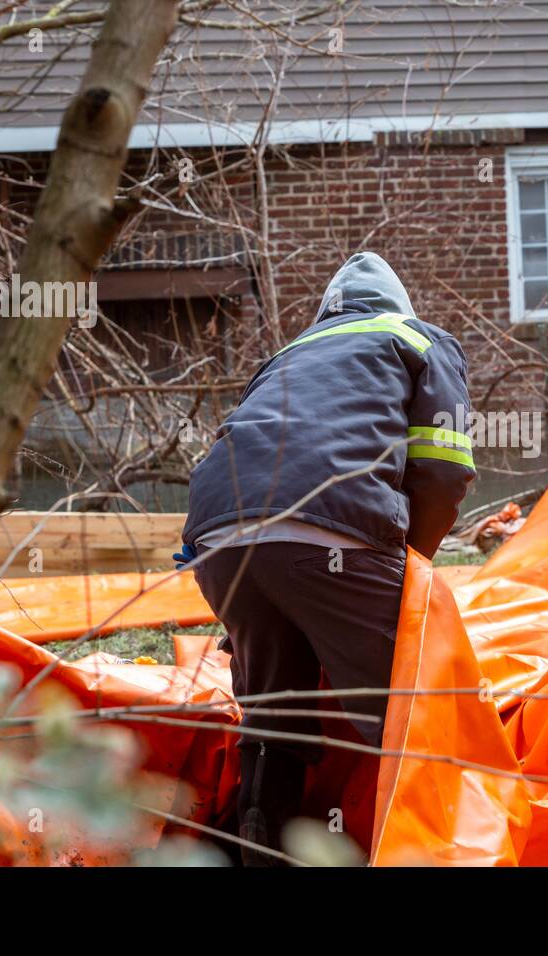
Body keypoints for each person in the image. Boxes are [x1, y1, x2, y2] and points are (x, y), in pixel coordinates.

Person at [178, 252, 476, 864]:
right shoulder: (416, 338)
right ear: (400, 305)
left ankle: (260, 846)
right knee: (408, 706)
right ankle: (437, 849)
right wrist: (408, 567)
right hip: (332, 530)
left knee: (273, 714)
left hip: (217, 538)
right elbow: (444, 471)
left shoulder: (287, 355)